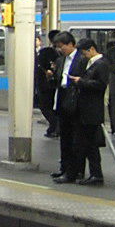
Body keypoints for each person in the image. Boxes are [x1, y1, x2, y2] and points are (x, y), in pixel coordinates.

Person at [63, 36, 110, 185]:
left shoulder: (101, 64)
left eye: (84, 53)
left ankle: (87, 175)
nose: (83, 56)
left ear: (91, 49)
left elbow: (101, 85)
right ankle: (93, 174)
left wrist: (80, 81)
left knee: (85, 144)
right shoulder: (92, 63)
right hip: (86, 111)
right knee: (88, 145)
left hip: (92, 111)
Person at [49, 32, 84, 182]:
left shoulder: (82, 59)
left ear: (71, 44)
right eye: (58, 47)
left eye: (62, 46)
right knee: (64, 136)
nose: (60, 49)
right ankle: (64, 168)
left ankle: (74, 172)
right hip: (62, 97)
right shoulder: (60, 59)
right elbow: (59, 79)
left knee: (75, 139)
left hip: (75, 100)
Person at [35, 33, 61, 138]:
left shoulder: (45, 52)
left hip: (45, 85)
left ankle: (55, 127)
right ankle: (54, 127)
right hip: (56, 85)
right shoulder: (61, 54)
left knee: (45, 106)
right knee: (52, 107)